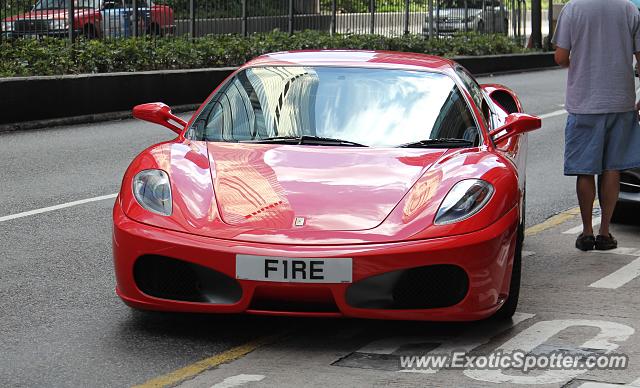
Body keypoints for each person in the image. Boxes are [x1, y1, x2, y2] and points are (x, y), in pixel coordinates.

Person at [552, 0, 640, 251]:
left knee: (585, 169)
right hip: (620, 102)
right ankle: (605, 232)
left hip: (584, 104)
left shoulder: (573, 8)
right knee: (612, 168)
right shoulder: (629, 9)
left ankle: (587, 232)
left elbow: (560, 57)